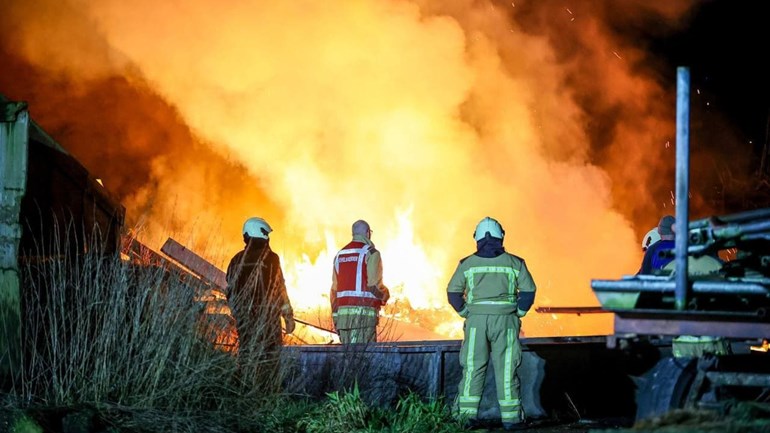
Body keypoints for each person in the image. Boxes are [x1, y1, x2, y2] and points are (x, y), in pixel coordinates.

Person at [446, 216, 537, 431]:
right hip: (506, 322)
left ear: (477, 237)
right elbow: (529, 291)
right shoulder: (516, 263)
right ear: (501, 236)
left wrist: (466, 312)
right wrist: (519, 313)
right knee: (506, 368)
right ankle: (511, 420)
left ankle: (466, 418)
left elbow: (453, 292)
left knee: (473, 368)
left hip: (476, 323)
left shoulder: (467, 264)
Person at [225, 217, 295, 376]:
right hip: (268, 318)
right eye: (267, 235)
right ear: (261, 235)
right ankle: (268, 390)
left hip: (245, 319)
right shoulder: (271, 258)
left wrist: (238, 313)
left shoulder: (236, 259)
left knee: (247, 355)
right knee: (271, 357)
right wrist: (288, 317)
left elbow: (230, 290)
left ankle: (245, 386)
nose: (269, 239)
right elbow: (280, 289)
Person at [330, 219, 390, 344]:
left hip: (343, 321)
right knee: (365, 359)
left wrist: (336, 319)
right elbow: (374, 286)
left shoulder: (339, 255)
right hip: (364, 320)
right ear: (368, 233)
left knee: (348, 360)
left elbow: (334, 291)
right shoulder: (371, 253)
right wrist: (385, 295)